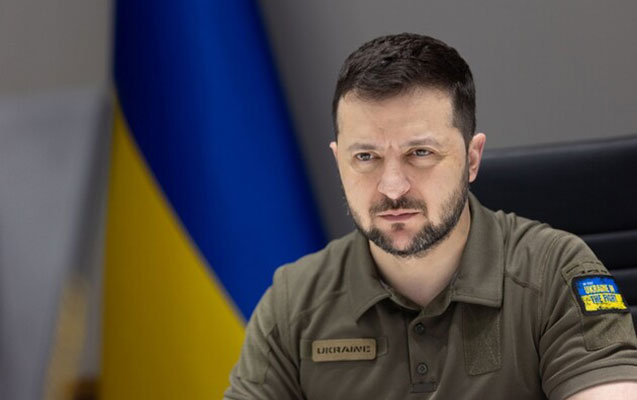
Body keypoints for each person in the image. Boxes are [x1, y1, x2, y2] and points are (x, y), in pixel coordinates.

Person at [224, 33, 637, 399]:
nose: (392, 187)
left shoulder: (555, 272)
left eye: (420, 153)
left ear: (471, 159)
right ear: (338, 162)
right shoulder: (294, 300)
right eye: (365, 157)